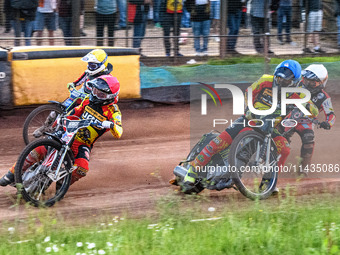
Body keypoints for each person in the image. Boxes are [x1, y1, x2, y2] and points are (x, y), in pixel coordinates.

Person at [180, 60, 303, 190]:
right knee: (219, 141)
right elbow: (249, 93)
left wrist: (308, 112)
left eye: (286, 81)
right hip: (250, 119)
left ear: (294, 82)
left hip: (269, 127)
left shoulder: (297, 94)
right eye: (279, 78)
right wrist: (249, 109)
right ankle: (192, 170)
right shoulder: (265, 80)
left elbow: (311, 108)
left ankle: (269, 183)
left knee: (285, 149)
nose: (281, 82)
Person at [0, 74, 123, 187]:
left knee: (82, 168)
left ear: (109, 97)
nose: (95, 95)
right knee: (40, 148)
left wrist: (111, 125)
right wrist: (64, 119)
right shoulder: (87, 101)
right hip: (68, 132)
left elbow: (119, 131)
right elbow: (75, 111)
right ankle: (11, 174)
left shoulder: (114, 112)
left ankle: (62, 184)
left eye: (100, 94)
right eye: (95, 91)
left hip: (82, 144)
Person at [286, 64, 335, 171]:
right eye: (306, 80)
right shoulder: (296, 86)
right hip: (288, 118)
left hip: (306, 123)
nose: (307, 83)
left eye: (312, 81)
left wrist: (328, 123)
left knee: (309, 139)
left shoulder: (324, 97)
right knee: (280, 139)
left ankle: (304, 169)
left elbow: (331, 114)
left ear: (321, 82)